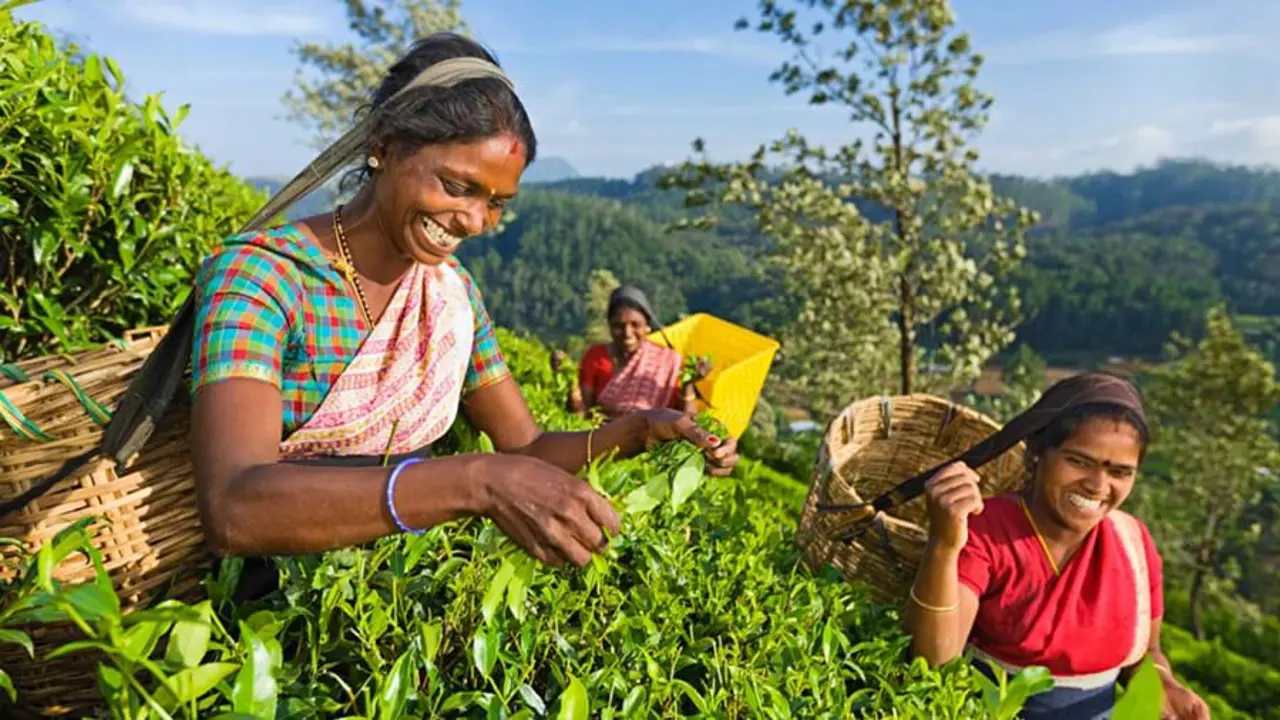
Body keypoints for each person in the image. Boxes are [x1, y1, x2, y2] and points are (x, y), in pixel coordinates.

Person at [186, 33, 738, 575]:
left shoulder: (450, 295)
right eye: (457, 186)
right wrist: (474, 481)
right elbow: (234, 505)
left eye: (496, 203)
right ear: (383, 146)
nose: (475, 222)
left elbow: (527, 446)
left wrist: (641, 430)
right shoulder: (265, 277)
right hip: (252, 616)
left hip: (382, 606)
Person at [904, 374, 1211, 719]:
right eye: (1079, 461)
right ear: (1037, 454)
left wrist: (1162, 682)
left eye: (1120, 473)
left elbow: (1145, 651)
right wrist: (944, 545)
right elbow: (934, 661)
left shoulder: (1133, 542)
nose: (1098, 486)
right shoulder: (984, 529)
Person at [569, 285, 708, 419]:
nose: (627, 333)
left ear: (647, 327)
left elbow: (688, 418)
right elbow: (582, 412)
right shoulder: (596, 357)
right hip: (603, 438)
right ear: (610, 326)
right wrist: (565, 376)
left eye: (635, 325)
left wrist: (688, 384)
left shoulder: (667, 361)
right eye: (619, 326)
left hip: (653, 440)